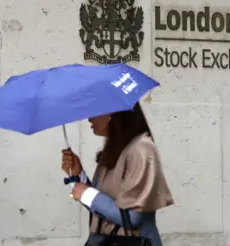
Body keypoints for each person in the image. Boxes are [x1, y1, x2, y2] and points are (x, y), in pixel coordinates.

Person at [61, 102, 174, 246]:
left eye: (95, 110)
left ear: (114, 113)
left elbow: (134, 216)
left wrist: (88, 194)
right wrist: (78, 175)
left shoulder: (141, 149)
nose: (89, 118)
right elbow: (102, 210)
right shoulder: (113, 152)